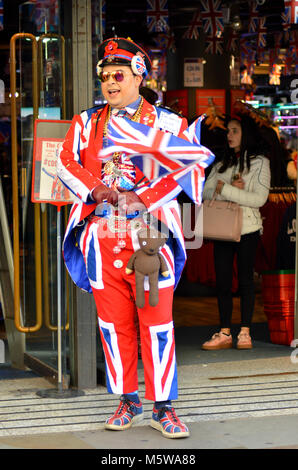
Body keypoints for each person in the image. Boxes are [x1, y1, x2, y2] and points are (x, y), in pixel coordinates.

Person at [57, 37, 191, 439]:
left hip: (150, 237)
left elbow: (182, 171)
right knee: (114, 324)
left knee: (157, 322)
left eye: (118, 74)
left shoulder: (168, 123)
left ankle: (163, 406)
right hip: (101, 236)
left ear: (139, 75)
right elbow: (65, 161)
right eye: (104, 76)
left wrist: (143, 196)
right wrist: (94, 190)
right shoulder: (85, 122)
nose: (109, 83)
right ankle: (127, 398)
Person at [201, 115, 271, 350]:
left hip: (248, 229)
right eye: (228, 131)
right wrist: (228, 189)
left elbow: (259, 199)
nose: (229, 135)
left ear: (246, 134)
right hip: (222, 227)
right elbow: (204, 192)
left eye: (234, 131)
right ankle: (224, 331)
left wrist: (225, 189)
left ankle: (245, 331)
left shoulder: (260, 162)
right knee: (222, 282)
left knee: (245, 282)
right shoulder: (223, 162)